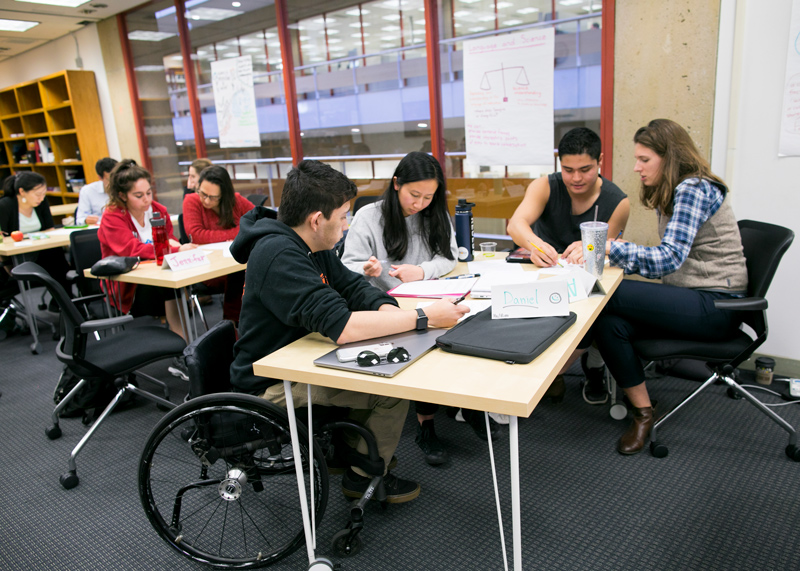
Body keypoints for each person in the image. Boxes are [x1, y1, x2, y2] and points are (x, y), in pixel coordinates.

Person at [229, 159, 468, 503]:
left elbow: (355, 288)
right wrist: (422, 317)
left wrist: (390, 311)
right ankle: (362, 476)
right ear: (316, 220)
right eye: (342, 217)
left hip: (300, 359)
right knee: (392, 390)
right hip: (268, 386)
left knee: (381, 366)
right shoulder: (279, 253)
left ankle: (349, 452)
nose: (346, 225)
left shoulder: (310, 245)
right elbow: (343, 326)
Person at [593, 119, 748, 455]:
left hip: (717, 306)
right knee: (607, 321)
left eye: (644, 160)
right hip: (693, 299)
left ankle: (568, 371)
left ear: (671, 156)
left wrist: (609, 247)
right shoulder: (678, 189)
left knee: (607, 296)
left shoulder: (693, 188)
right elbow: (667, 260)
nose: (636, 168)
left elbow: (669, 259)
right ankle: (644, 412)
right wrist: (614, 255)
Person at [342, 151, 499, 467]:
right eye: (415, 195)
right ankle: (426, 424)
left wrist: (422, 271)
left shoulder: (434, 212)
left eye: (429, 196)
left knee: (467, 325)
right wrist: (368, 269)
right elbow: (347, 264)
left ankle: (467, 403)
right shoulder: (369, 217)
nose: (420, 204)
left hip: (429, 293)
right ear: (397, 183)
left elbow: (450, 257)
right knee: (429, 338)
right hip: (386, 305)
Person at [507, 127, 630, 405]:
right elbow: (516, 225)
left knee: (597, 315)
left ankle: (590, 367)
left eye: (585, 169)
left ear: (600, 160)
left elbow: (606, 252)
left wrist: (587, 251)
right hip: (542, 273)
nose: (576, 178)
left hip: (583, 280)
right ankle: (543, 374)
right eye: (568, 169)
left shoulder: (617, 201)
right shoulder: (545, 185)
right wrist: (536, 246)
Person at [97, 160, 197, 378]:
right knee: (171, 286)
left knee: (174, 283)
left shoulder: (158, 211)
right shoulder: (112, 216)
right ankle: (185, 352)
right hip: (129, 291)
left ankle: (187, 350)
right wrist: (170, 248)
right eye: (138, 195)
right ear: (123, 196)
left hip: (159, 282)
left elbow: (169, 243)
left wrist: (173, 247)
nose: (147, 200)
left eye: (149, 192)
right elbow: (129, 249)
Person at [182, 165, 252, 324]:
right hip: (208, 268)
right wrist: (238, 232)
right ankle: (233, 323)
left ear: (224, 195)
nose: (206, 200)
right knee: (241, 273)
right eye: (203, 193)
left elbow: (259, 221)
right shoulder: (192, 201)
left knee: (247, 269)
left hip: (233, 263)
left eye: (213, 197)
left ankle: (241, 323)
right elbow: (197, 235)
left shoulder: (236, 201)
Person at [0, 172, 71, 303]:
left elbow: (50, 231)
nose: (42, 198)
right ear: (22, 191)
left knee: (57, 257)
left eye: (44, 194)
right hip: (14, 258)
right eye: (38, 194)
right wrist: (8, 268)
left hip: (40, 253)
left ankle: (64, 303)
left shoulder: (41, 204)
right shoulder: (5, 205)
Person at [75, 157, 117, 225]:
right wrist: (86, 220)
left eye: (116, 178)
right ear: (100, 178)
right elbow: (80, 219)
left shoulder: (126, 188)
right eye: (110, 180)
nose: (115, 182)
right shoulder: (87, 191)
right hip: (99, 229)